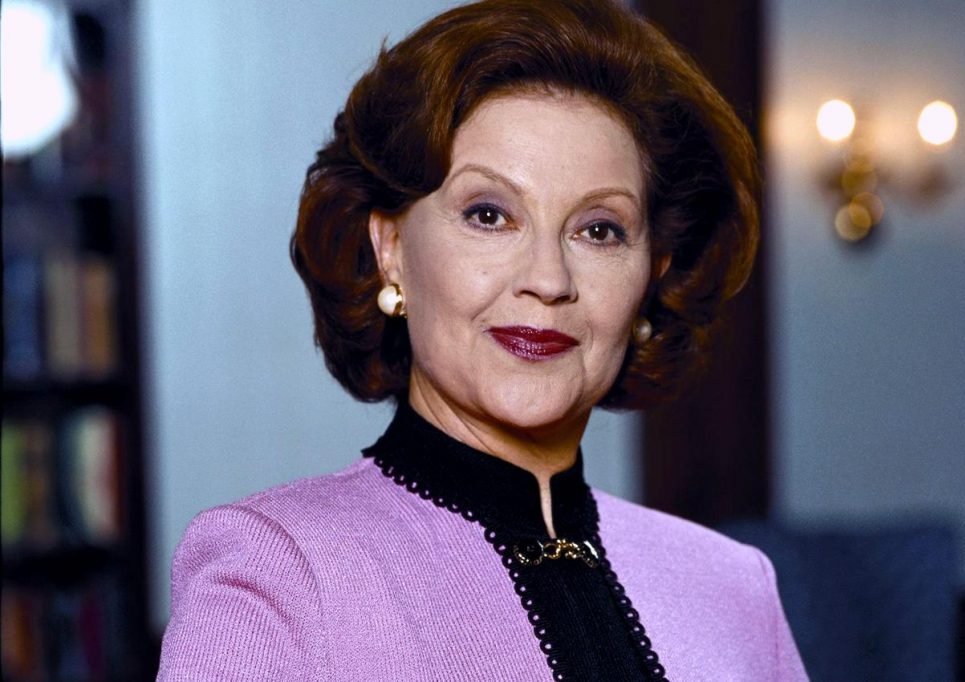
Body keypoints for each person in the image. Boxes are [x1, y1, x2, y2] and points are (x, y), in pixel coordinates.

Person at [157, 1, 808, 679]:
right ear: (391, 250)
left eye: (599, 230)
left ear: (651, 275)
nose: (549, 280)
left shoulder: (734, 588)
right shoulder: (277, 574)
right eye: (489, 215)